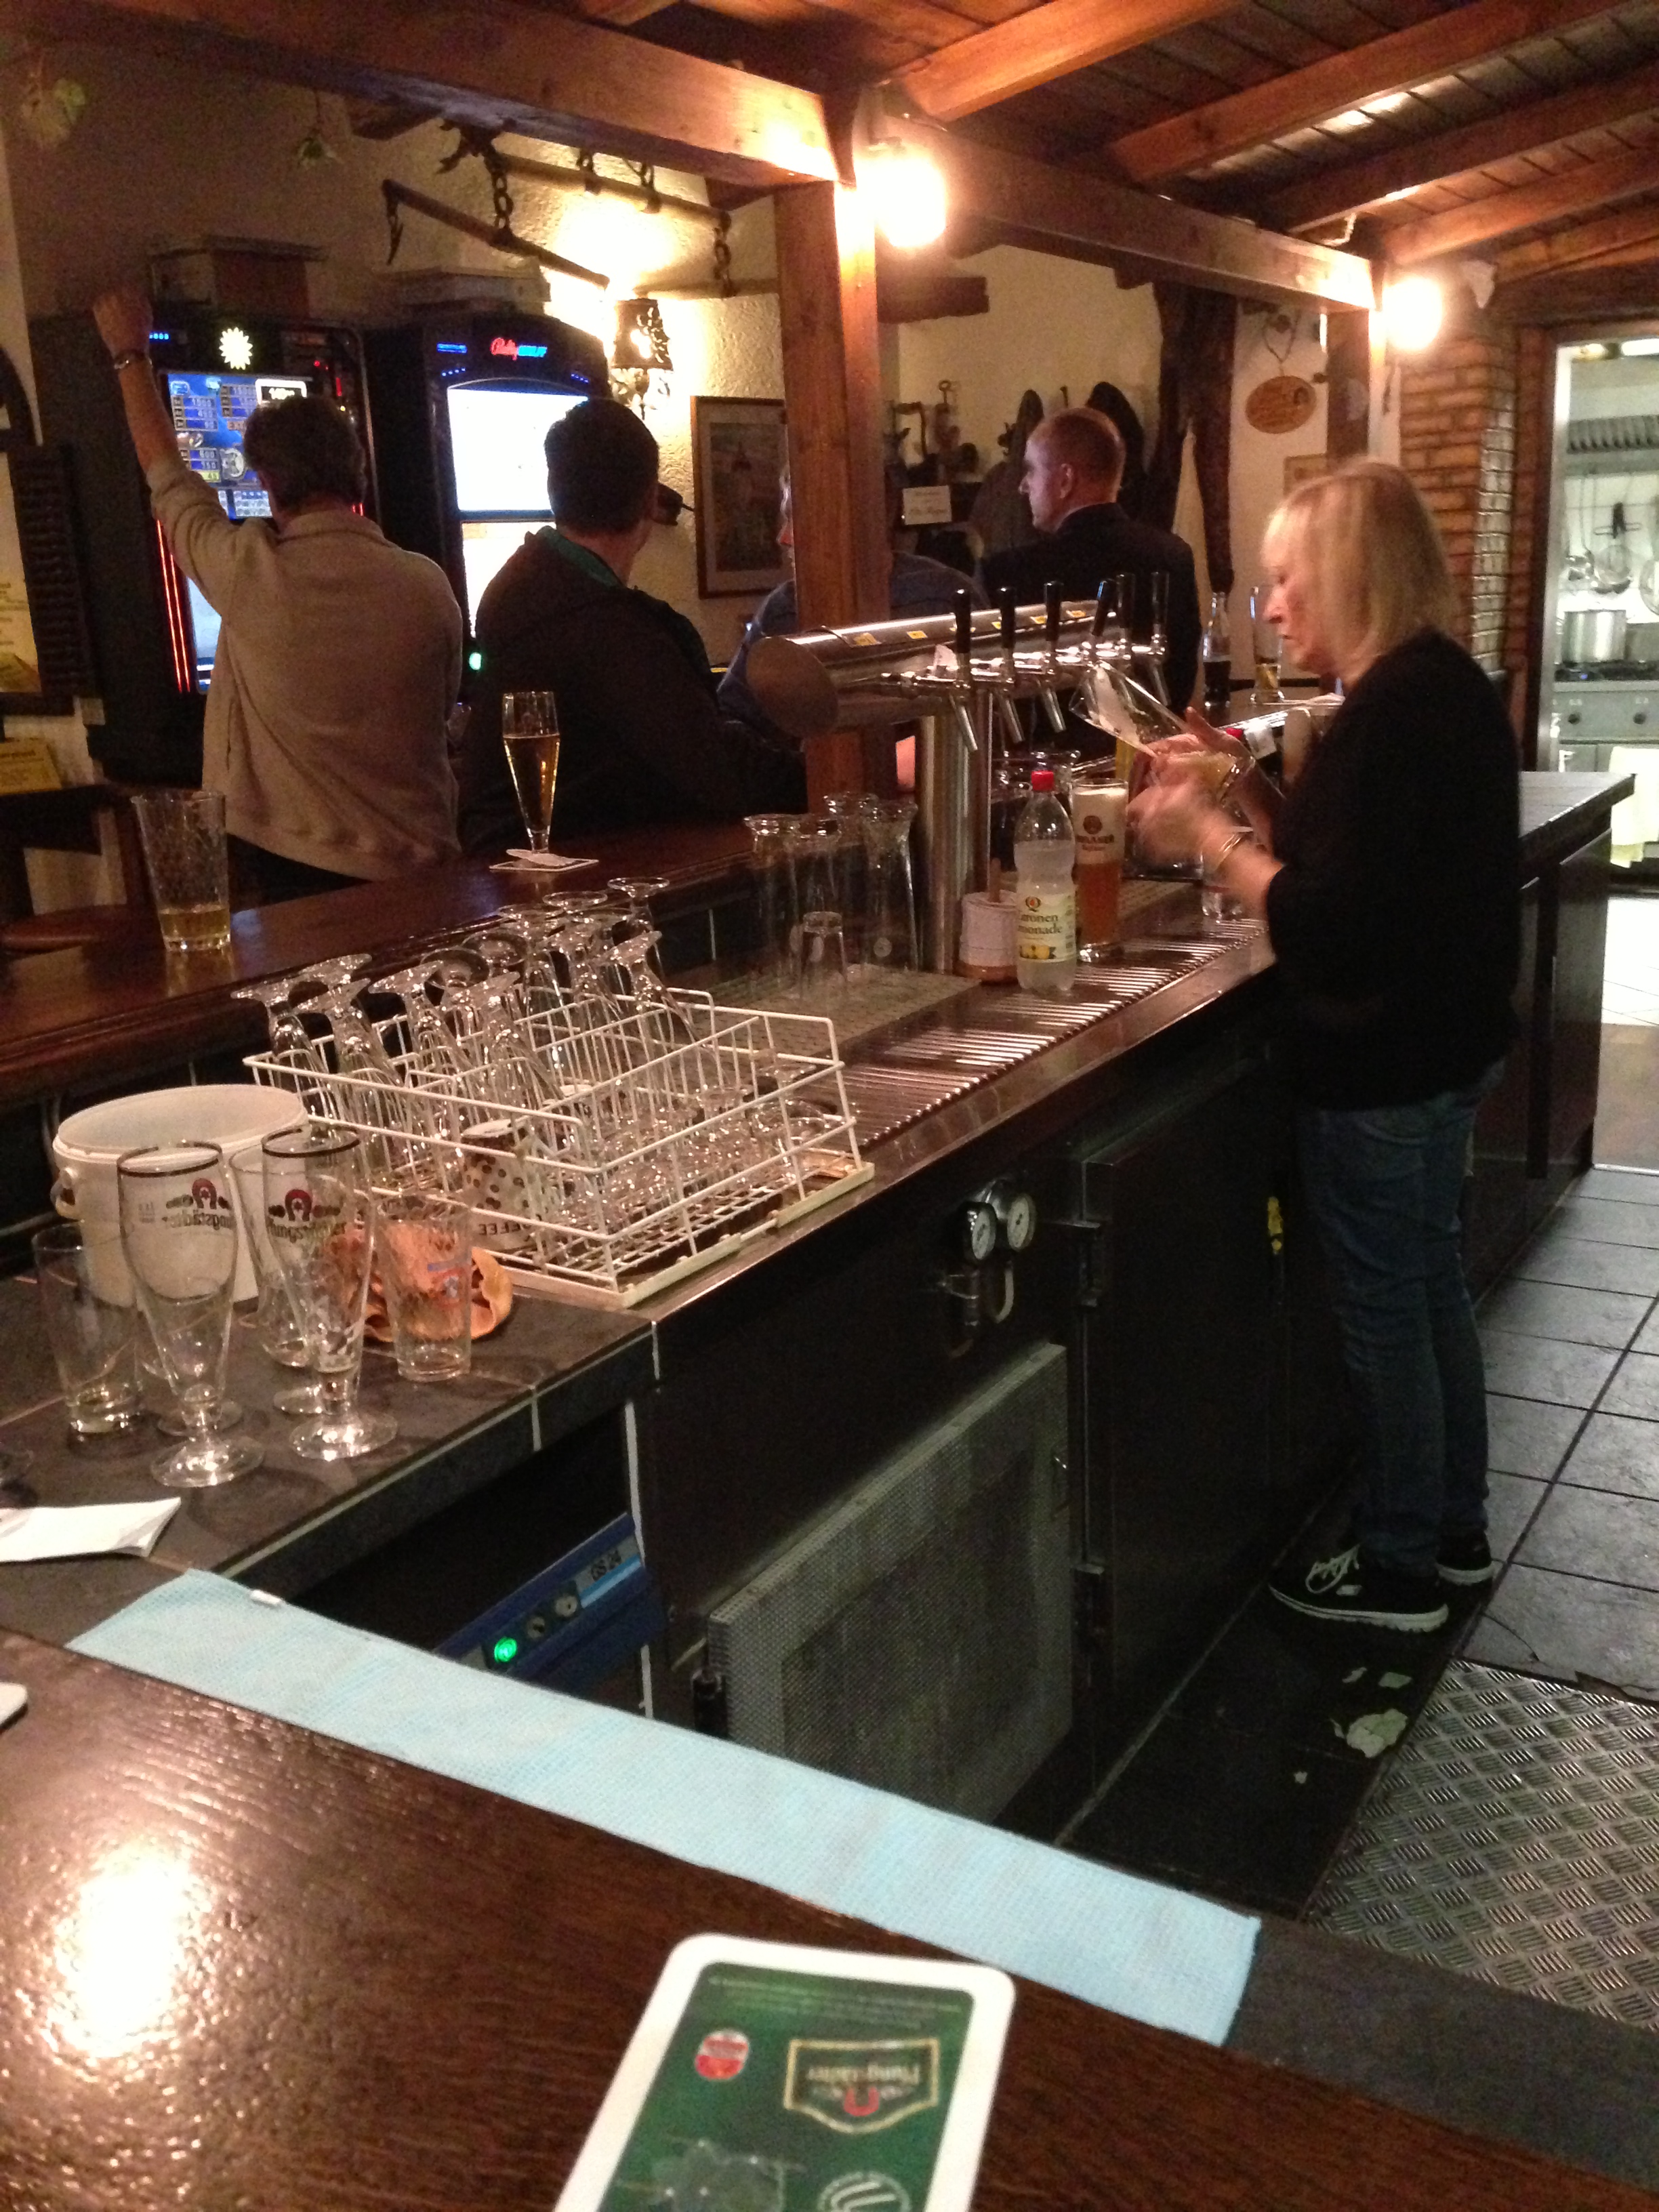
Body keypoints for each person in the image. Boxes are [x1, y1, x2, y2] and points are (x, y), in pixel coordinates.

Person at [1130, 459, 1521, 1635]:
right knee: (1429, 1290)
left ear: (1350, 572)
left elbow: (1328, 921)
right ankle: (1450, 1531)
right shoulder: (1431, 687)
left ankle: (1397, 1568)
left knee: (1388, 1315)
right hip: (1440, 1049)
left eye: (1289, 579)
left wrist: (1206, 836)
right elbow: (1350, 858)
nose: (1273, 605)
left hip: (1384, 1064)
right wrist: (1243, 781)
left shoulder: (1393, 711)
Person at [91, 285, 462, 902]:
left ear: (264, 480)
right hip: (427, 872)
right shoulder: (428, 583)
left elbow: (167, 475)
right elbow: (444, 712)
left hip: (303, 874)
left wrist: (130, 356)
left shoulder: (248, 569)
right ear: (358, 470)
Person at [457, 399, 803, 851]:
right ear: (649, 500)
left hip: (504, 859)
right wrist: (833, 775)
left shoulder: (524, 583)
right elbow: (718, 771)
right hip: (563, 869)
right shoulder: (600, 623)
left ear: (554, 489)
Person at [717, 470, 988, 750]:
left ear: (860, 520)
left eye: (797, 518)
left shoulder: (943, 596)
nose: (783, 538)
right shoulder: (783, 608)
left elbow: (992, 722)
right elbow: (732, 722)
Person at [980, 405, 1201, 711]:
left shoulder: (1008, 572)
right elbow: (1181, 678)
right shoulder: (1174, 556)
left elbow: (997, 699)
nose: (1023, 486)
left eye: (1031, 470)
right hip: (1154, 739)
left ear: (1065, 480)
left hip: (1051, 742)